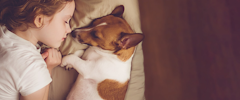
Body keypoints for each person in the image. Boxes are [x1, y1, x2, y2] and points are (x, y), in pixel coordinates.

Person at [0, 0, 75, 99]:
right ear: (39, 20)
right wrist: (47, 69)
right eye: (66, 21)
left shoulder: (3, 29)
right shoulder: (32, 67)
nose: (69, 29)